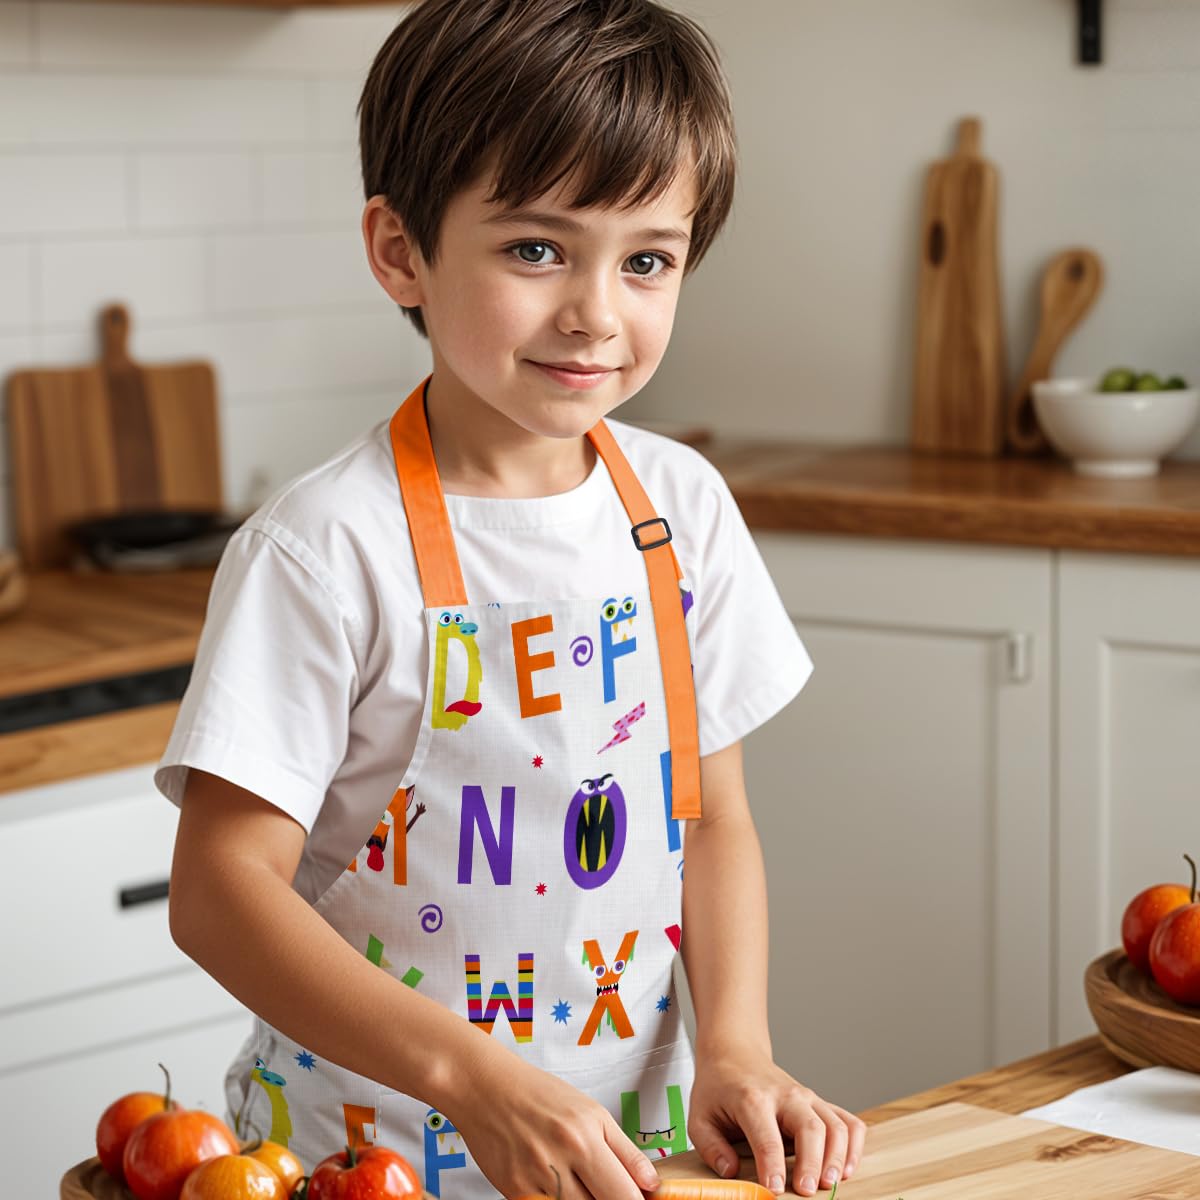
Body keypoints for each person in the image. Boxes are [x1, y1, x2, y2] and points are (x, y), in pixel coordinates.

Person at [161, 1, 866, 1197]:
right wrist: (476, 1082)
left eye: (646, 259)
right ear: (401, 252)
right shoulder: (325, 550)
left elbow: (712, 821)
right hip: (362, 1160)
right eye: (538, 250)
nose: (598, 312)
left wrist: (735, 1045)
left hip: (630, 1162)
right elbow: (219, 895)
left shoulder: (681, 510)